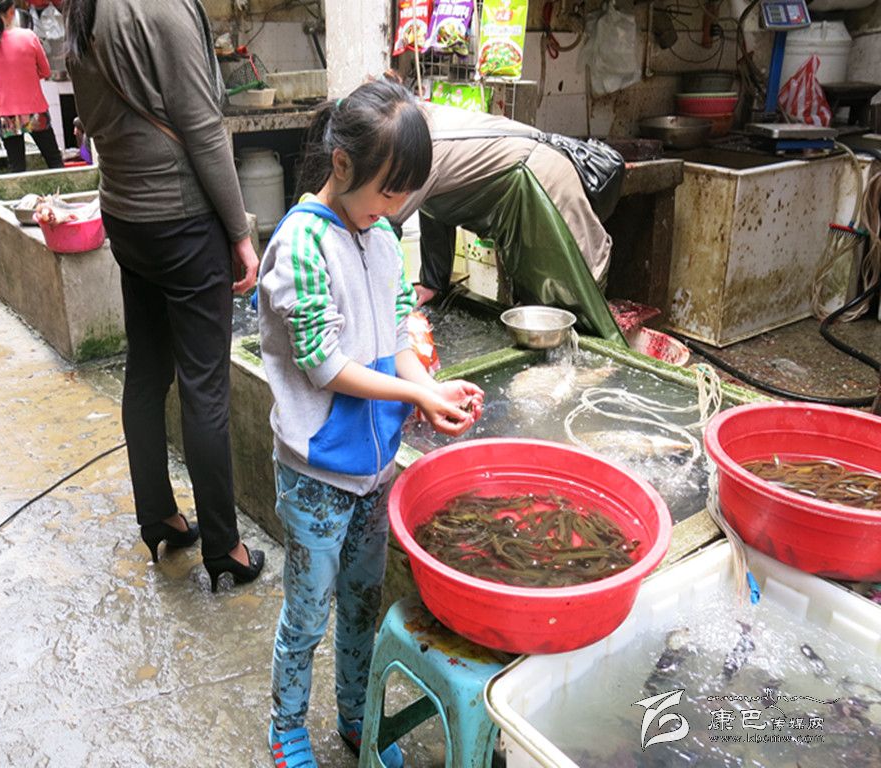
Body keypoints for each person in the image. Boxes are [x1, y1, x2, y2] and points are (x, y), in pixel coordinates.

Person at [258, 79, 484, 768]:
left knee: (361, 604)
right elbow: (325, 364)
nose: (394, 208)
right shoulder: (300, 244)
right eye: (388, 191)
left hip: (376, 471)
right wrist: (413, 394)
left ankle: (356, 715)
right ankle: (286, 727)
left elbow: (397, 335)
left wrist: (429, 391)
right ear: (342, 164)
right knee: (307, 612)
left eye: (404, 195)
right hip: (316, 476)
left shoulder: (382, 236)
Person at [64, 0, 264, 591]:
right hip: (182, 221)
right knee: (205, 388)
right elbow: (203, 130)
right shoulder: (163, 9)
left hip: (126, 216)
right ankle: (225, 547)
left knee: (147, 371)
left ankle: (158, 517)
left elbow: (93, 120)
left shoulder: (86, 10)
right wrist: (240, 233)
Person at [390, 91, 623, 341]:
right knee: (530, 316)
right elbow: (431, 204)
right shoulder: (413, 134)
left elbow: (384, 230)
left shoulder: (417, 141)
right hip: (519, 201)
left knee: (572, 311)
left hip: (544, 187)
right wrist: (433, 283)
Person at [0, 0, 64, 173]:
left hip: (5, 113)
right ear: (11, 11)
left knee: (17, 167)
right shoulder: (28, 36)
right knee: (54, 160)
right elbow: (45, 71)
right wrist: (28, 77)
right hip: (34, 110)